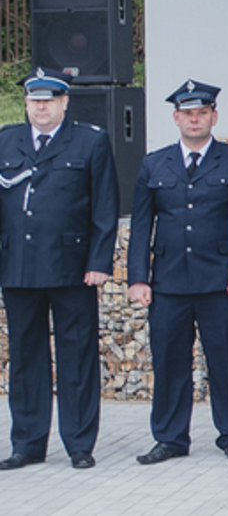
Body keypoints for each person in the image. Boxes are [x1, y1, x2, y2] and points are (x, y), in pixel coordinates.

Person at [125, 81, 228, 465]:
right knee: (168, 362)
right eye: (188, 113)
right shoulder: (155, 163)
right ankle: (170, 437)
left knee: (227, 360)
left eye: (202, 113)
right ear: (176, 119)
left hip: (221, 281)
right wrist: (138, 277)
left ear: (214, 117)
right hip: (168, 282)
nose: (195, 119)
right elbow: (140, 226)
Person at [0, 69, 117, 471]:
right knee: (25, 358)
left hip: (72, 269)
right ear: (26, 104)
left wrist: (99, 263)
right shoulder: (5, 140)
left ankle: (79, 443)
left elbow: (104, 208)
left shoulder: (90, 141)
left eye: (49, 100)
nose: (41, 107)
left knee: (77, 357)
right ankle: (28, 443)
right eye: (35, 101)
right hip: (18, 268)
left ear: (65, 103)